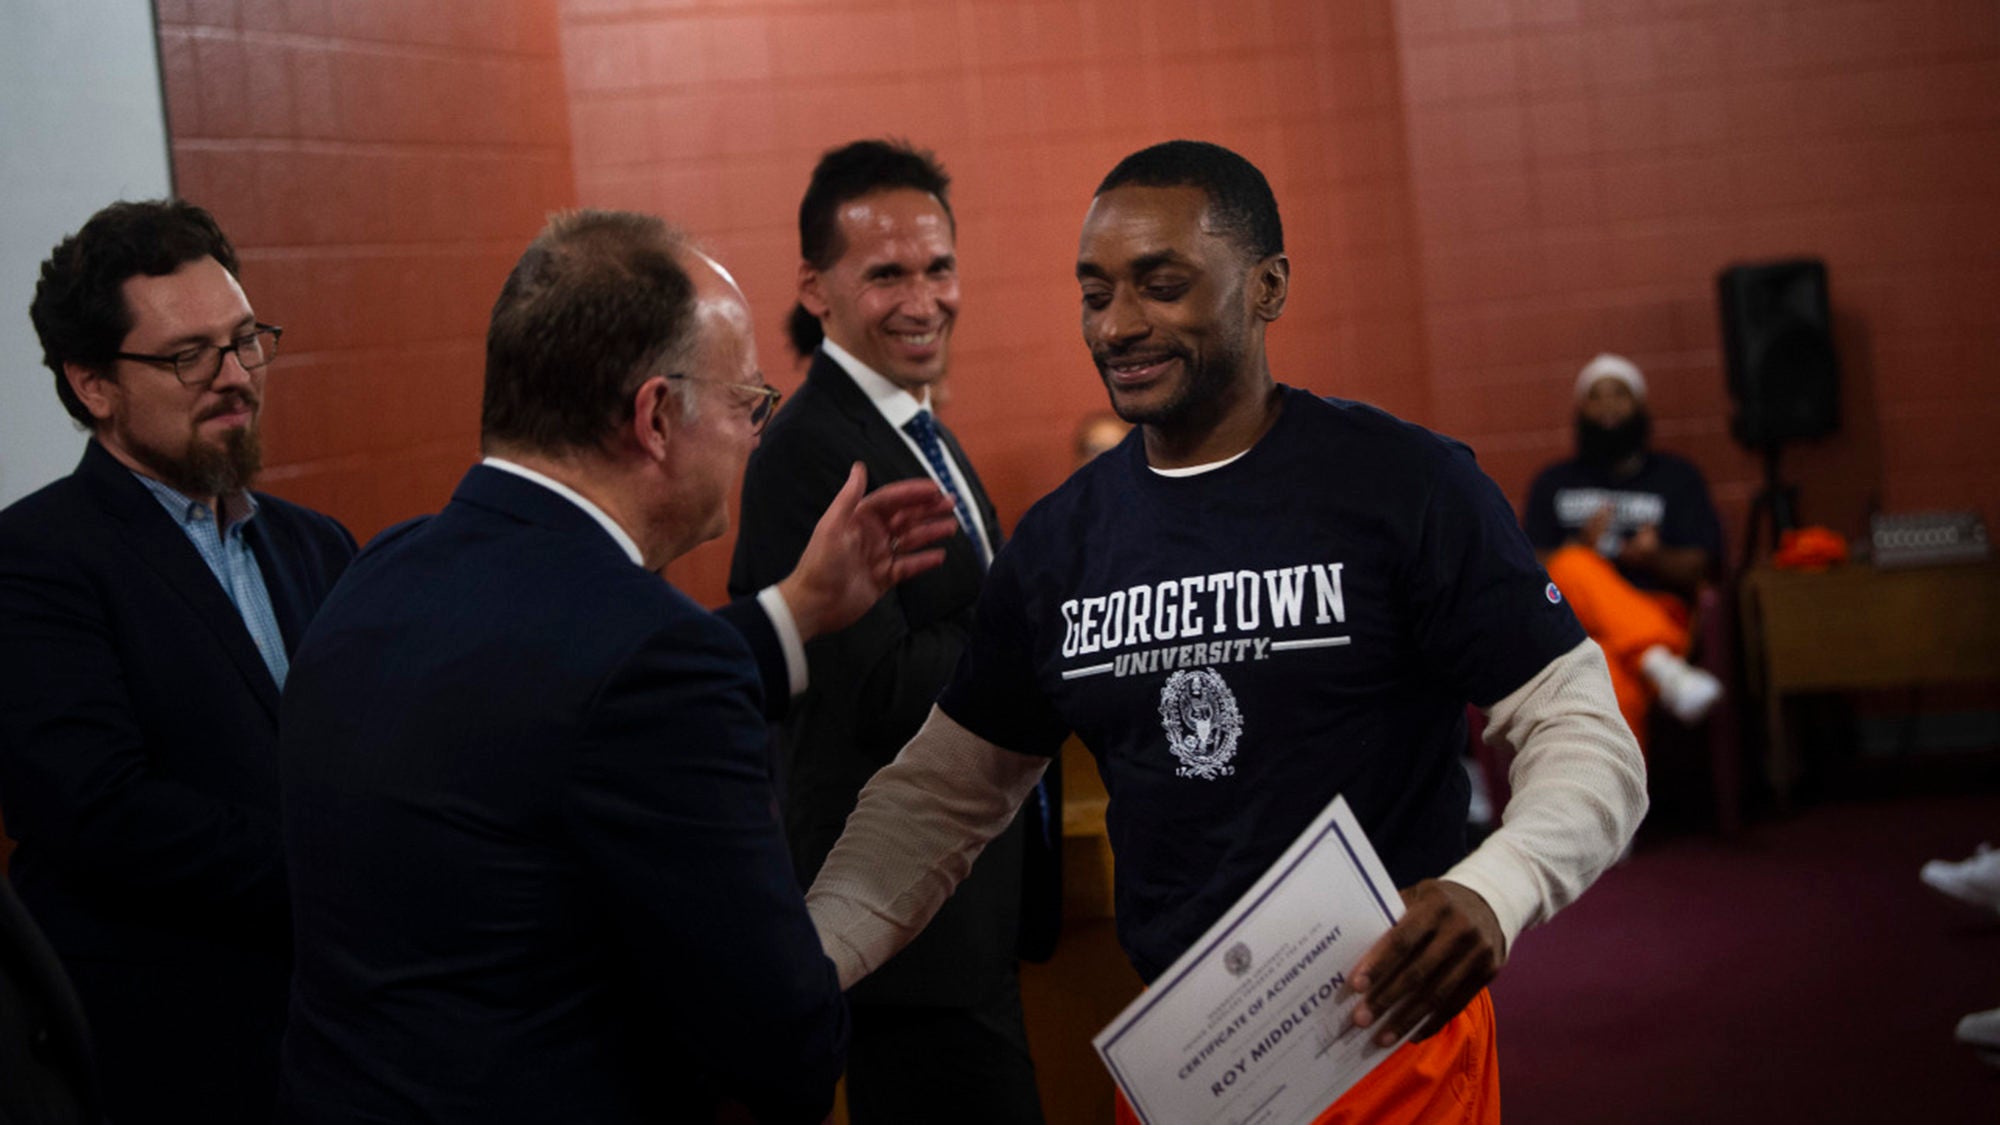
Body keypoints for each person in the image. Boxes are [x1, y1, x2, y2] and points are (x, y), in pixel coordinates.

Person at [804, 140, 1648, 1125]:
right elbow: (937, 801)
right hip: (1184, 1062)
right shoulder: (1062, 544)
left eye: (1160, 287)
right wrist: (800, 968)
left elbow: (1587, 737)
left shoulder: (1404, 485)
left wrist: (1493, 890)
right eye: (1093, 294)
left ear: (1266, 286)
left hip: (1385, 1050)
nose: (1117, 325)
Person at [276, 210, 958, 1124]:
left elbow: (551, 707)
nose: (754, 436)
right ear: (657, 416)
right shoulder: (655, 659)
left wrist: (796, 611)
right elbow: (778, 1041)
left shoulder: (379, 568)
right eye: (746, 403)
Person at [0, 200, 357, 1123]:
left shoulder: (319, 547)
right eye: (187, 355)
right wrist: (345, 866)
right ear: (93, 385)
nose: (234, 376)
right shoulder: (36, 559)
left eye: (245, 340)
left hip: (341, 1032)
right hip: (168, 1047)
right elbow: (101, 811)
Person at [729, 139, 1048, 1124]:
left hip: (969, 914)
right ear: (815, 289)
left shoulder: (916, 425)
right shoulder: (809, 450)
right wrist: (1037, 626)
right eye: (886, 275)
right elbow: (866, 686)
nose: (923, 299)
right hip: (906, 935)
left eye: (937, 267)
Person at [1522, 354, 1725, 748]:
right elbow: (1526, 567)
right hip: (1576, 625)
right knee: (1573, 562)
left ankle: (1624, 810)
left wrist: (1654, 558)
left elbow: (1701, 563)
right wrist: (1582, 549)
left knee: (1609, 687)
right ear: (1581, 410)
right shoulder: (1552, 482)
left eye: (1620, 394)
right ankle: (1660, 665)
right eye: (1596, 397)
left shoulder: (1676, 477)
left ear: (1640, 407)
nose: (1608, 406)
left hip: (1655, 611)